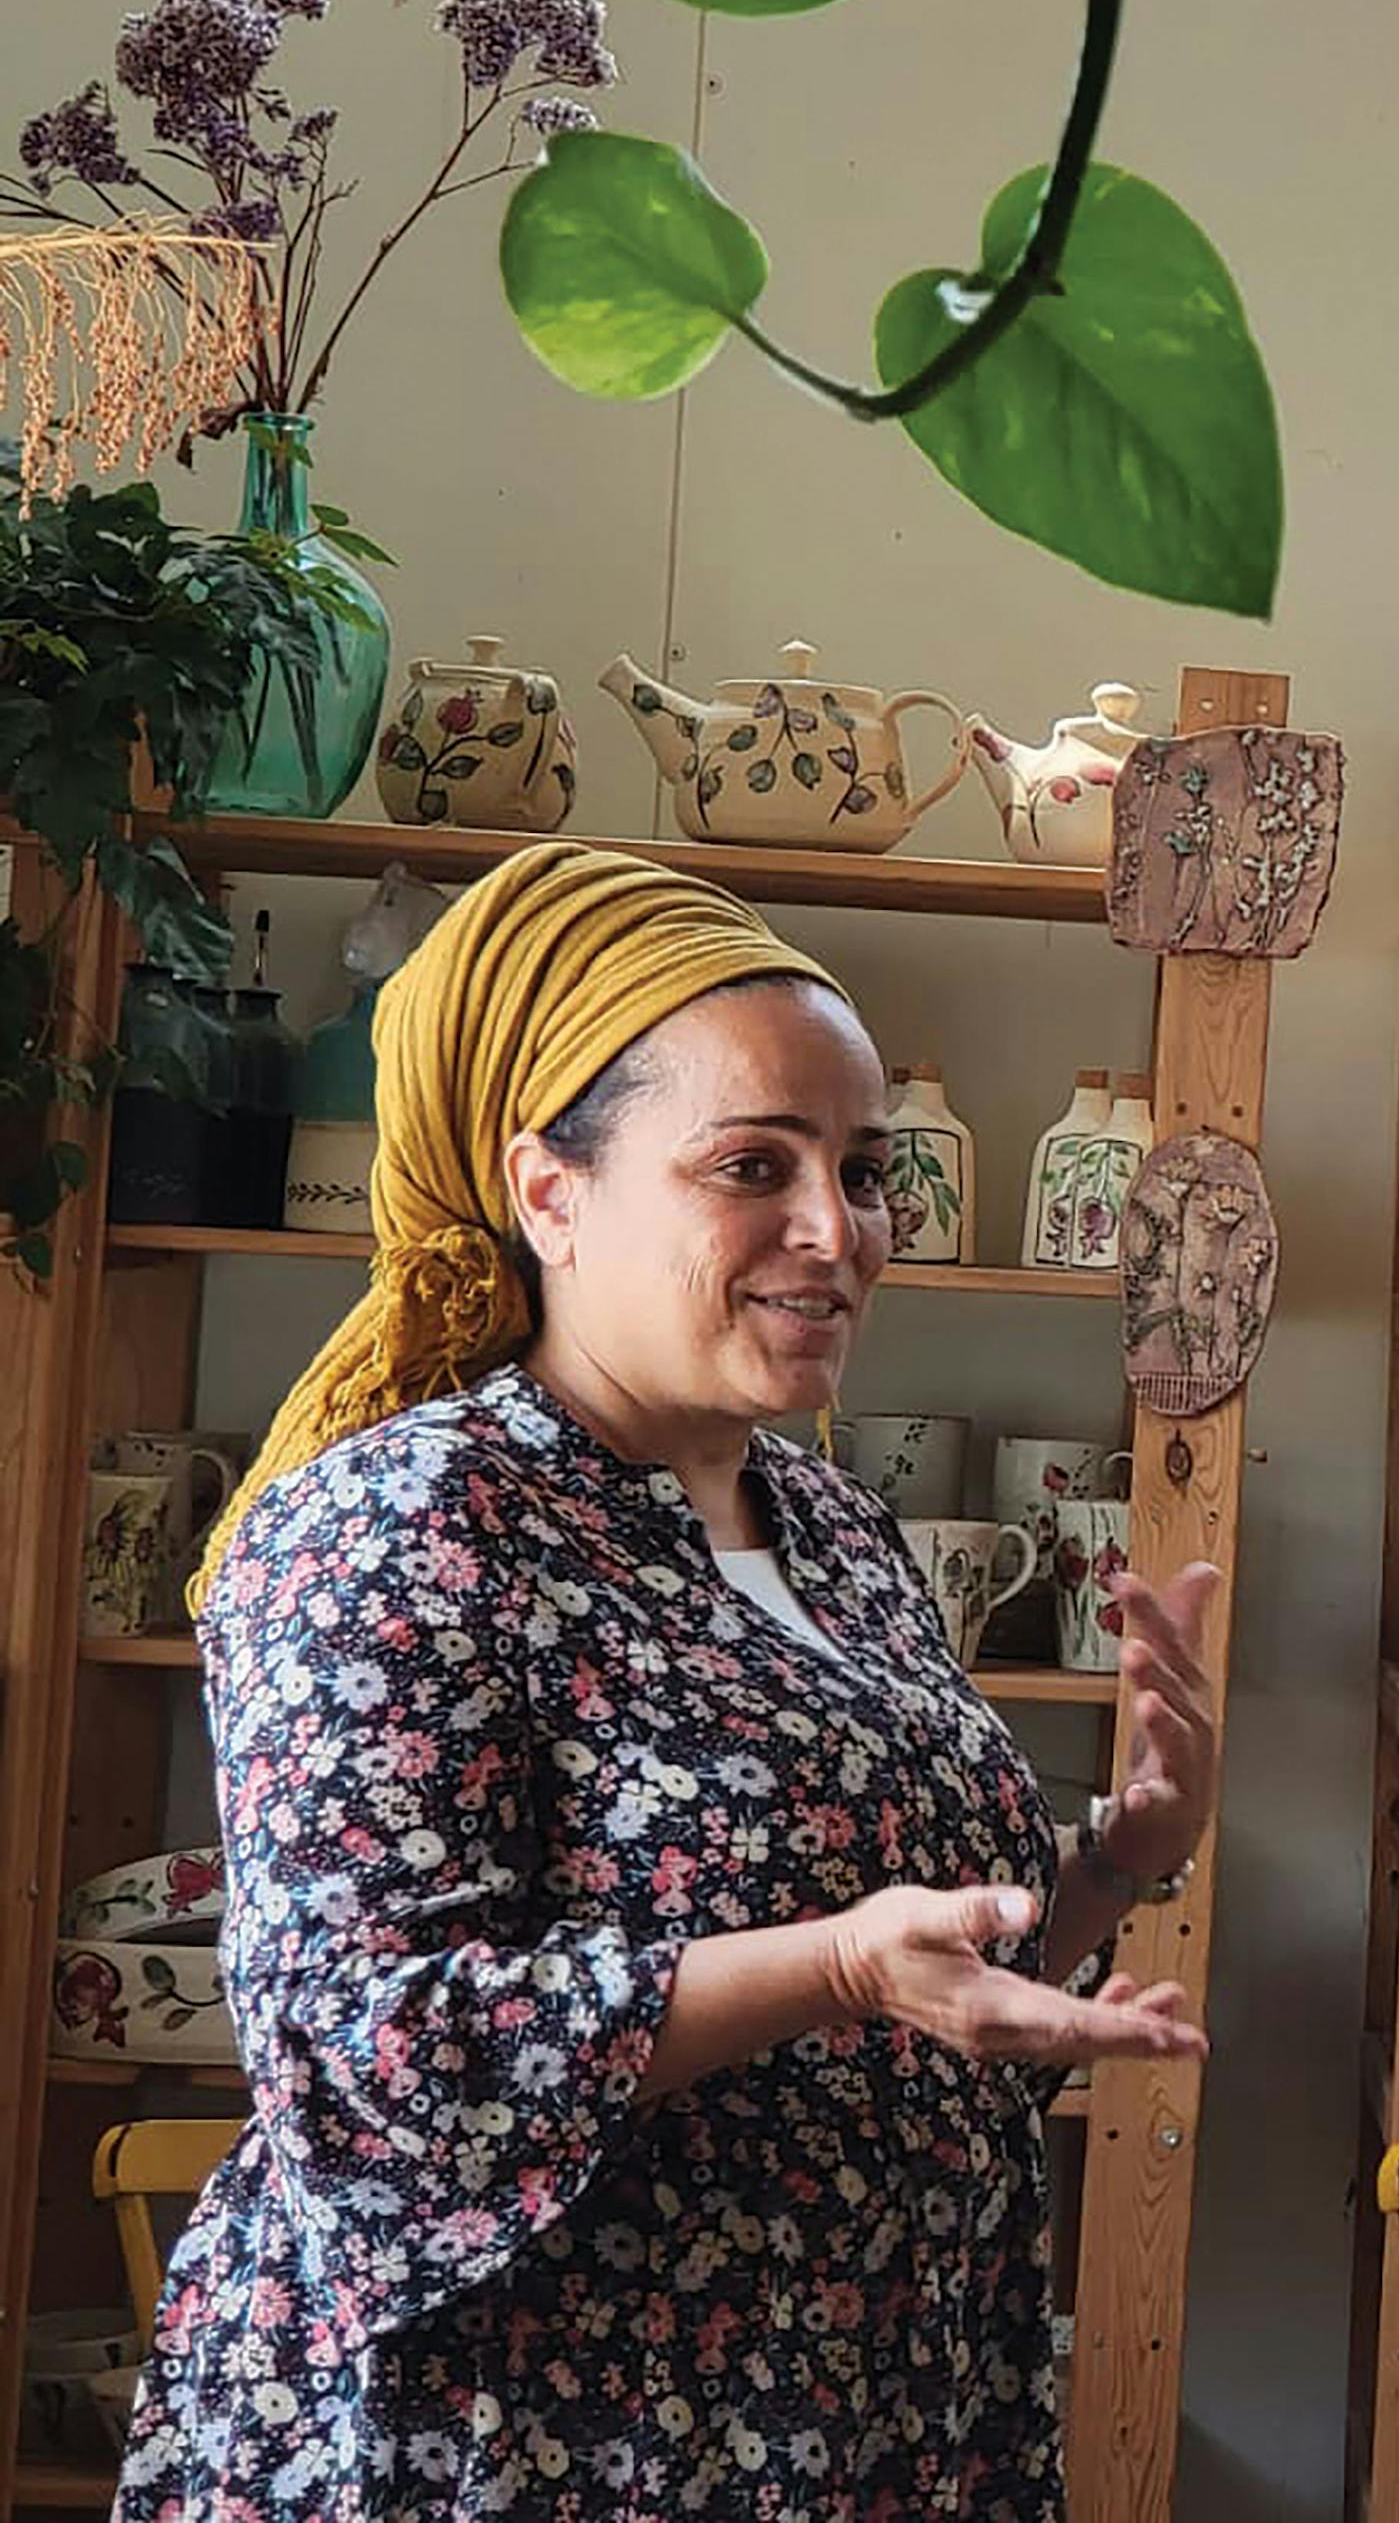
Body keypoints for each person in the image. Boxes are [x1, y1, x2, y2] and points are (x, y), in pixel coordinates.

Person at [120, 843, 1218, 2523]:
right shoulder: (402, 1523)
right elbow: (370, 2064)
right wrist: (838, 1966)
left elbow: (923, 2003)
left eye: (864, 1170)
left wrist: (1123, 1854)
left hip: (861, 2428)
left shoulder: (832, 1524)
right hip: (523, 2445)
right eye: (752, 1166)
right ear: (547, 1193)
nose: (836, 1230)